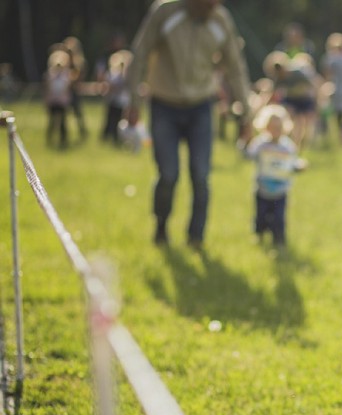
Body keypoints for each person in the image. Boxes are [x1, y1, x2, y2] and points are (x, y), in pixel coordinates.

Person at [125, 0, 254, 249]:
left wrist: (246, 115)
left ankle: (196, 237)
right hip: (164, 103)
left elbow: (235, 66)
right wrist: (133, 102)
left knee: (201, 174)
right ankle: (161, 226)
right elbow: (140, 53)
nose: (212, 6)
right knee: (168, 174)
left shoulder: (220, 20)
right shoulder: (165, 12)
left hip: (201, 106)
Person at [242, 104, 306, 247]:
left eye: (278, 127)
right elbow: (249, 155)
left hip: (280, 190)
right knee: (261, 216)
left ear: (284, 128)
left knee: (279, 218)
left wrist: (300, 166)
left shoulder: (287, 146)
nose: (275, 131)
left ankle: (279, 240)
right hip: (262, 189)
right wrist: (244, 143)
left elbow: (293, 162)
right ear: (265, 127)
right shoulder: (260, 144)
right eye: (272, 127)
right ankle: (259, 235)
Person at [100, 49, 133, 145]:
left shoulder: (127, 76)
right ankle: (107, 137)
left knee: (120, 122)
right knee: (110, 120)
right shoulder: (112, 73)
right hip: (113, 100)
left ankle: (118, 139)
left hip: (122, 102)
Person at [44, 48, 73, 148]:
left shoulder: (66, 75)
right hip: (53, 101)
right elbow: (48, 88)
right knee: (52, 121)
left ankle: (63, 140)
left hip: (62, 101)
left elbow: (67, 88)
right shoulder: (50, 75)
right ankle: (50, 140)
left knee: (63, 122)